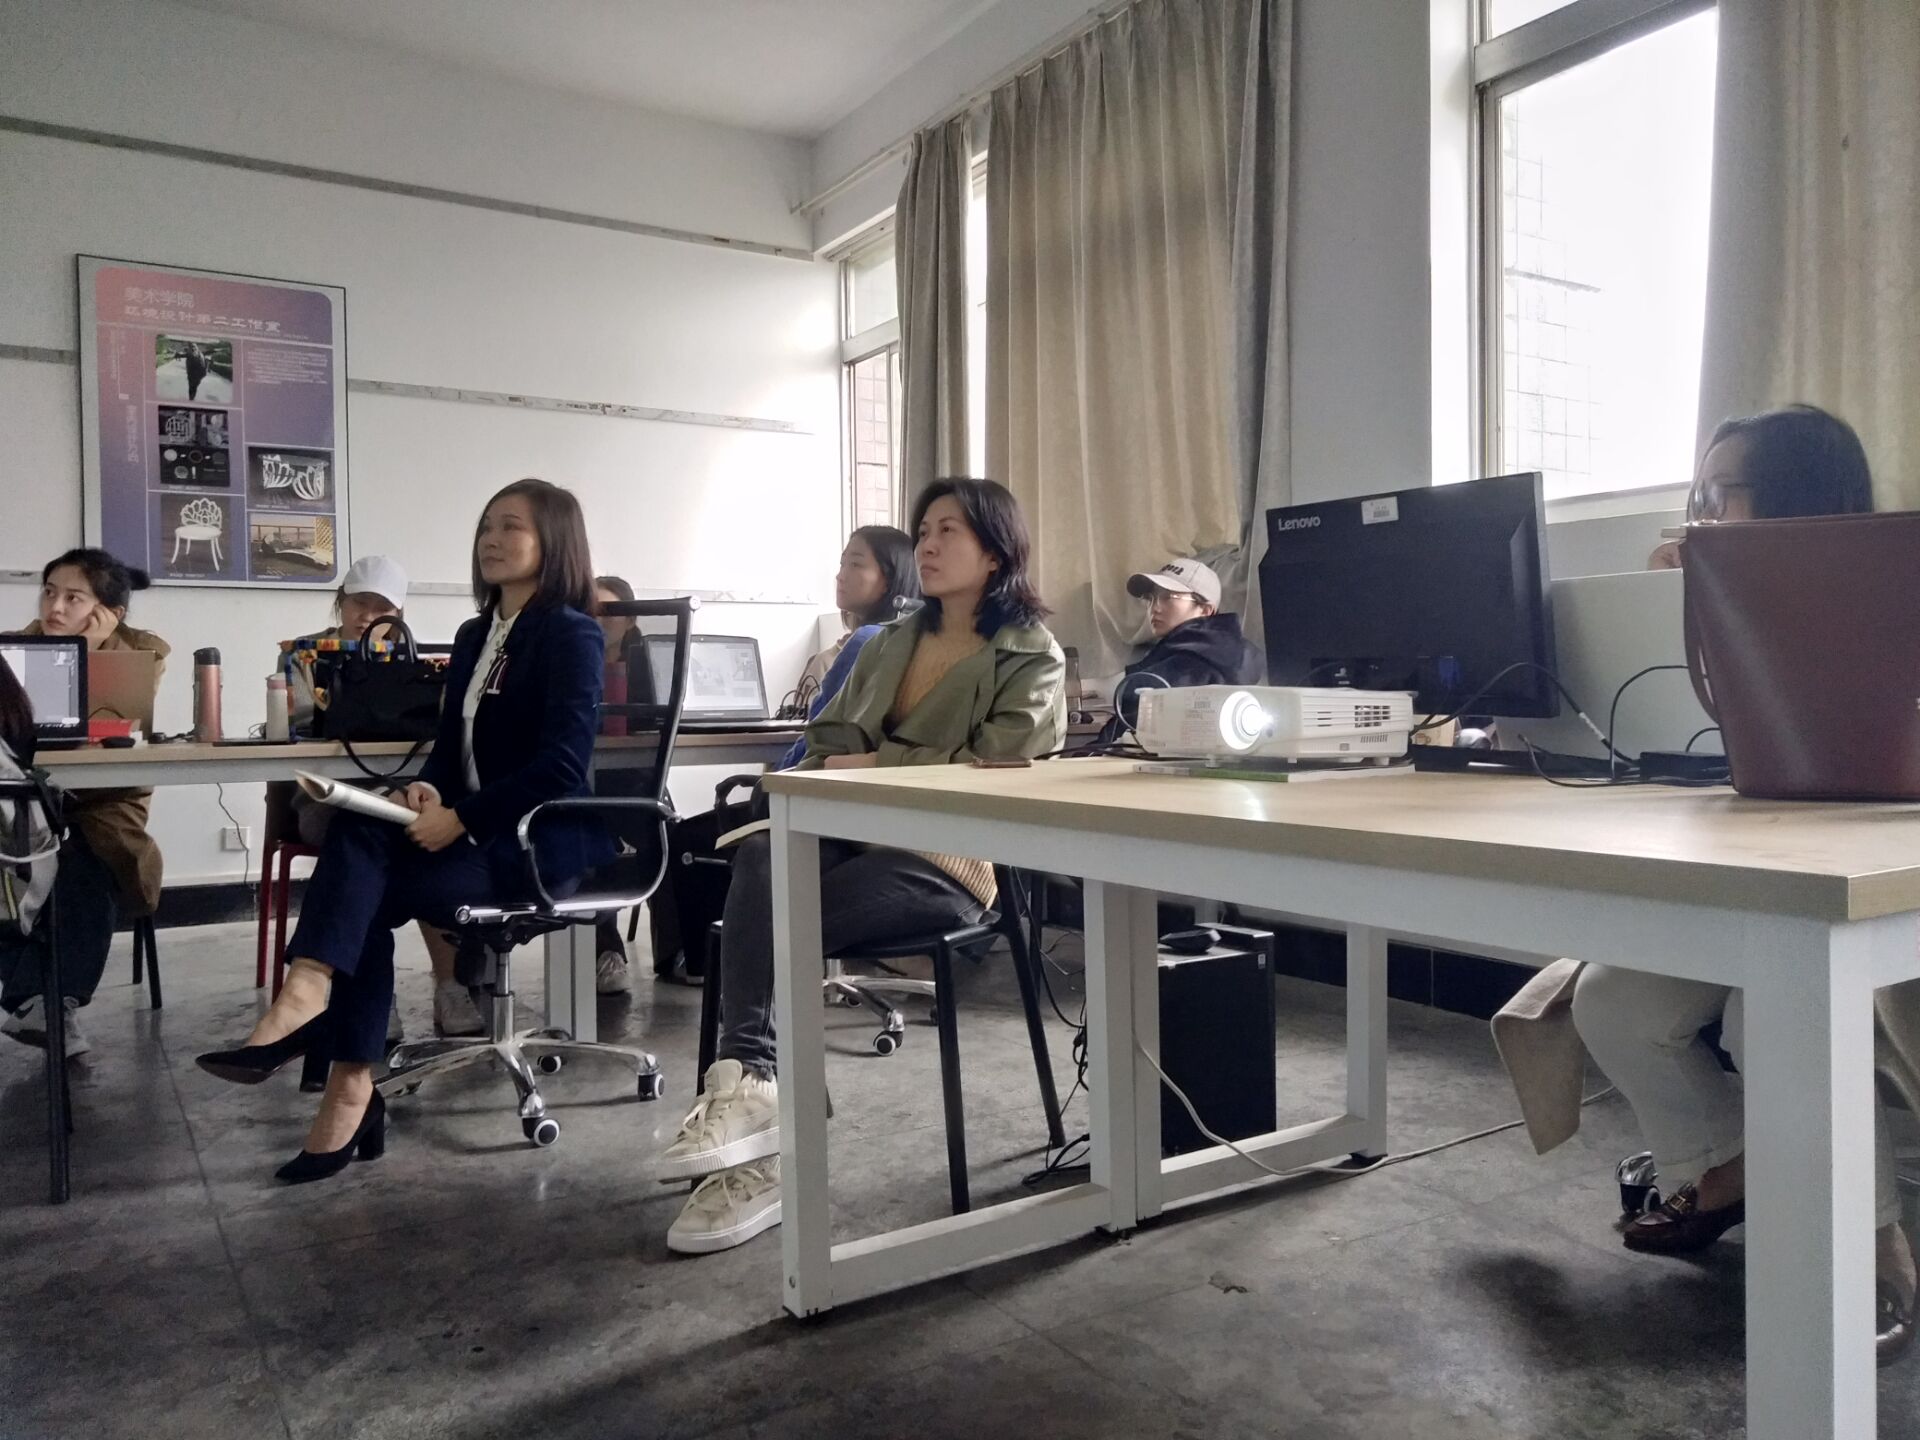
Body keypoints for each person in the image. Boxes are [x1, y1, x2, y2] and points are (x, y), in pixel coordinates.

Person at [1499, 404, 1916, 1364]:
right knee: (1612, 999)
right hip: (1754, 861)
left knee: (1772, 1013)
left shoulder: (1894, 591)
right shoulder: (1711, 602)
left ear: (1795, 499)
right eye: (1702, 493)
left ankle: (1876, 1250)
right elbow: (1678, 752)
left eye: (1721, 494)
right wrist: (1673, 616)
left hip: (1870, 870)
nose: (1702, 514)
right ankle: (1725, 1170)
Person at [659, 478, 1065, 1256]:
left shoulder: (1030, 652)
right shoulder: (888, 641)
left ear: (996, 552)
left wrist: (879, 760)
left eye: (949, 530)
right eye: (924, 530)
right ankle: (753, 1093)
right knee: (765, 853)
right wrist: (877, 759)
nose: (929, 545)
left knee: (771, 922)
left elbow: (1001, 758)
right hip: (850, 833)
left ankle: (763, 1138)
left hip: (948, 860)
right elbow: (829, 739)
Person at [194, 479, 612, 1184]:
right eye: (486, 525)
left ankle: (327, 1049)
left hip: (530, 848)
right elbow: (450, 750)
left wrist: (462, 817)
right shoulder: (478, 635)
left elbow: (563, 766)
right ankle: (331, 1048)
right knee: (359, 832)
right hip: (474, 835)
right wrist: (428, 790)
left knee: (357, 886)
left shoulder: (571, 632)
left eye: (511, 527)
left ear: (555, 541)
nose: (491, 539)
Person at [1, 550, 170, 1057]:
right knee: (16, 864)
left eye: (73, 597)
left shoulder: (143, 653)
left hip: (104, 802)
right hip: (29, 798)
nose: (55, 607)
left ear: (108, 612)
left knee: (89, 856)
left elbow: (118, 727)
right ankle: (40, 1001)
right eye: (50, 592)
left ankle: (52, 1002)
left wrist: (86, 651)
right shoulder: (14, 650)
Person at [780, 526, 919, 770]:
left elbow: (818, 737)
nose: (840, 576)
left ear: (889, 579)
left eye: (855, 564)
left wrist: (770, 782)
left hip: (821, 780)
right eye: (842, 564)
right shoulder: (921, 640)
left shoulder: (866, 641)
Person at [1100, 556, 1263, 744]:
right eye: (1151, 599)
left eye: (1168, 597)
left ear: (1205, 610)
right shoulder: (1230, 656)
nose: (1155, 608)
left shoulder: (1187, 666)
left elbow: (1129, 731)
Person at [588, 574, 639, 995]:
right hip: (582, 779)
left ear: (631, 620)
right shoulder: (569, 658)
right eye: (593, 612)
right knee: (594, 827)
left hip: (633, 777)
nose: (601, 620)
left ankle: (681, 953)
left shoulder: (647, 663)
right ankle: (607, 946)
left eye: (611, 612)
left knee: (671, 829)